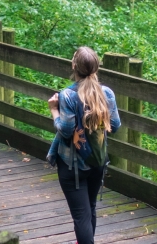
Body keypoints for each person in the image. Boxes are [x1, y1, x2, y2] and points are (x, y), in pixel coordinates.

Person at [47, 46, 121, 244]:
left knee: (81, 216)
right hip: (97, 161)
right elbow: (115, 125)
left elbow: (66, 130)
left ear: (74, 66)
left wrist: (54, 111)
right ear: (97, 68)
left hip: (73, 166)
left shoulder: (68, 96)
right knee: (90, 208)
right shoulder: (107, 94)